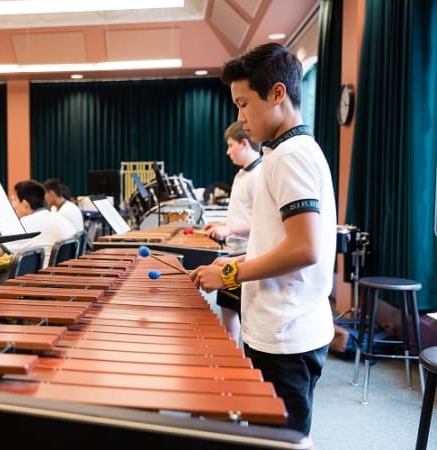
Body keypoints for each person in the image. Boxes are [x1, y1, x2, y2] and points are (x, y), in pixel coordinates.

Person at [190, 42, 336, 437]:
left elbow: (305, 248)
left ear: (277, 93)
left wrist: (233, 272)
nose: (240, 116)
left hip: (286, 336)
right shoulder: (287, 152)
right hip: (283, 327)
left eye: (242, 103)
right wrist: (232, 264)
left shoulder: (290, 156)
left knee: (281, 441)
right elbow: (282, 239)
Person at [202, 121, 262, 343]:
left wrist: (228, 230)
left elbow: (262, 223)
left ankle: (240, 357)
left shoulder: (259, 176)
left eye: (230, 145)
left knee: (244, 313)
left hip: (248, 255)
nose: (227, 152)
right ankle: (231, 351)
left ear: (244, 143)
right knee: (227, 307)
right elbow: (241, 214)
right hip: (233, 251)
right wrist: (220, 225)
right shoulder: (241, 175)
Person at [0, 179, 76, 268]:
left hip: (41, 278)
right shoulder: (59, 218)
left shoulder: (25, 223)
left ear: (24, 204)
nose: (13, 205)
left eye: (15, 200)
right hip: (60, 273)